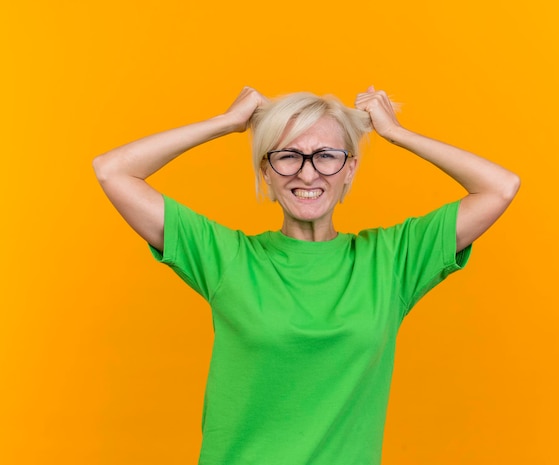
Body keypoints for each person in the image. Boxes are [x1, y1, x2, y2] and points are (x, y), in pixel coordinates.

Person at [93, 86, 520, 465]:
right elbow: (113, 171)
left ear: (349, 168)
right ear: (266, 171)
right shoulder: (228, 258)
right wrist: (224, 123)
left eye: (327, 156)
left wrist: (396, 134)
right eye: (288, 156)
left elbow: (499, 186)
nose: (308, 172)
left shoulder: (392, 260)